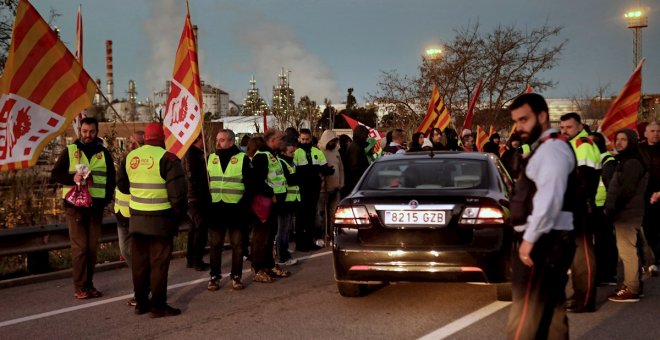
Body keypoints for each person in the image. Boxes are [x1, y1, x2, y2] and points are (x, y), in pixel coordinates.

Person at [506, 93, 576, 339]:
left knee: (526, 315)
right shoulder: (547, 148)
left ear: (543, 116)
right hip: (550, 240)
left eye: (524, 120)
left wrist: (529, 241)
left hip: (544, 242)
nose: (520, 127)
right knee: (553, 310)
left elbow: (549, 199)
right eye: (516, 121)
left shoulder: (552, 150)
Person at [116, 123, 187, 317]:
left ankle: (141, 304)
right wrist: (178, 215)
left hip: (136, 220)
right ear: (162, 138)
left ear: (145, 137)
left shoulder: (130, 157)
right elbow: (178, 194)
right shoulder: (168, 158)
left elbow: (122, 185)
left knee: (139, 265)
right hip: (161, 220)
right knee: (159, 265)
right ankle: (158, 306)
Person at [51, 117, 116, 300]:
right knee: (80, 249)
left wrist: (106, 200)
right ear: (80, 131)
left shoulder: (103, 153)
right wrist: (72, 178)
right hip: (75, 207)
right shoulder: (70, 151)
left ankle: (89, 284)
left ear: (96, 132)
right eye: (85, 131)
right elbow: (56, 174)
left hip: (95, 207)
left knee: (92, 249)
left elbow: (111, 179)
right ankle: (80, 287)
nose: (88, 135)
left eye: (92, 132)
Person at [559, 112, 600, 313]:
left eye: (569, 127)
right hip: (572, 206)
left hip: (581, 206)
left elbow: (583, 179)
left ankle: (586, 300)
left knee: (583, 255)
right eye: (562, 127)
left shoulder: (583, 144)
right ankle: (578, 295)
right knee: (575, 255)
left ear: (579, 126)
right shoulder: (571, 145)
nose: (565, 131)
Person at [605, 129, 648, 302]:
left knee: (627, 251)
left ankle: (632, 288)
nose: (619, 142)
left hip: (627, 213)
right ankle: (633, 284)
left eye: (624, 139)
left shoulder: (632, 162)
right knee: (629, 249)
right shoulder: (625, 160)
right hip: (627, 212)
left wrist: (613, 209)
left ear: (631, 141)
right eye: (618, 139)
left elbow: (627, 190)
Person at [206, 129, 251, 291]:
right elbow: (207, 184)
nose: (218, 143)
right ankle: (214, 276)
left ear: (231, 142)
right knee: (215, 244)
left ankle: (236, 276)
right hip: (216, 208)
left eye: (222, 140)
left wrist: (243, 205)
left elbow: (249, 186)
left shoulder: (242, 159)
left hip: (236, 209)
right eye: (217, 139)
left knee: (237, 245)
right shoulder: (211, 158)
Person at [249, 129, 291, 282]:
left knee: (270, 235)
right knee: (261, 236)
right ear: (272, 139)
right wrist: (271, 194)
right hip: (265, 204)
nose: (282, 142)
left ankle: (269, 265)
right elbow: (257, 182)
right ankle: (258, 268)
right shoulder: (262, 157)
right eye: (280, 139)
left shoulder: (273, 155)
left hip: (274, 203)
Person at [114, 130, 144, 306]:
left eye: (135, 143)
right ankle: (142, 282)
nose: (131, 146)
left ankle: (141, 289)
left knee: (138, 255)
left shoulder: (145, 163)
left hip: (138, 215)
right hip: (122, 214)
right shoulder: (125, 160)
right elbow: (120, 185)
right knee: (125, 251)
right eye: (130, 142)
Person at [294, 128, 334, 251]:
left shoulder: (316, 152)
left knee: (311, 216)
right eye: (303, 139)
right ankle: (301, 244)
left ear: (311, 138)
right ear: (299, 139)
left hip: (314, 188)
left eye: (307, 139)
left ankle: (310, 241)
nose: (305, 141)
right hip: (302, 189)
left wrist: (328, 171)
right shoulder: (296, 153)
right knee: (301, 217)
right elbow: (295, 170)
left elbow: (323, 167)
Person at [589, 132, 619, 285]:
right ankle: (600, 273)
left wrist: (610, 206)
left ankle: (607, 274)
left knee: (605, 241)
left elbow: (611, 186)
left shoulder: (607, 160)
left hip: (603, 206)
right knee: (596, 243)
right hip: (592, 205)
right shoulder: (592, 158)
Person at [183, 134, 211, 271]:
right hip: (196, 197)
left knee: (194, 229)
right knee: (200, 228)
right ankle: (197, 260)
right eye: (203, 139)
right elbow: (194, 177)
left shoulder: (192, 154)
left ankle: (191, 259)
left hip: (193, 197)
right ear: (197, 140)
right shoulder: (193, 155)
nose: (204, 141)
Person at [638, 121, 660, 273]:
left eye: (658, 131)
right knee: (649, 229)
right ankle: (652, 260)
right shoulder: (638, 150)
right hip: (645, 196)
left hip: (659, 193)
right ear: (645, 133)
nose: (656, 133)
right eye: (652, 131)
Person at [277, 140, 300, 266]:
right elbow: (290, 180)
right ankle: (283, 255)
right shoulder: (282, 162)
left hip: (291, 199)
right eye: (291, 152)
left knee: (286, 228)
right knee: (283, 229)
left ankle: (283, 251)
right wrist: (298, 177)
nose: (293, 154)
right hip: (285, 200)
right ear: (283, 152)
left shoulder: (290, 162)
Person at [318, 129, 344, 242]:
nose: (333, 143)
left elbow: (341, 168)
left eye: (335, 141)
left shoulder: (336, 152)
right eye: (331, 141)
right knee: (321, 215)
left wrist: (341, 182)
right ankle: (322, 235)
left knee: (334, 213)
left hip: (336, 187)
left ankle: (333, 234)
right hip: (323, 189)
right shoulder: (319, 151)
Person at [344, 125, 371, 197]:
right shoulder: (355, 147)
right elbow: (354, 167)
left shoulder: (356, 146)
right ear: (361, 135)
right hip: (356, 183)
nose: (367, 137)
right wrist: (360, 182)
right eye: (366, 135)